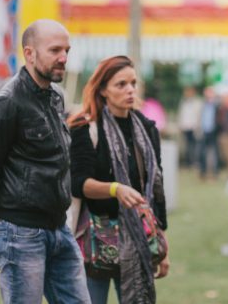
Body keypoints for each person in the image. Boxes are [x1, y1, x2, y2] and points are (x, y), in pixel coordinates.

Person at [0, 19, 90, 304]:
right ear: (29, 53)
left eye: (67, 50)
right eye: (55, 50)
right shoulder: (7, 102)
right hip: (21, 233)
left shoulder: (56, 97)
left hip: (60, 227)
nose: (63, 58)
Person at [68, 55, 169, 303]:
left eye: (133, 83)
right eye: (121, 84)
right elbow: (79, 184)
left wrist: (163, 245)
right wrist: (115, 189)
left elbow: (156, 190)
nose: (130, 90)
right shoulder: (85, 127)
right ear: (103, 90)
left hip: (139, 239)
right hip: (94, 241)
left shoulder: (146, 129)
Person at [177, 86, 201, 167]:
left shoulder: (198, 102)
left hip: (194, 128)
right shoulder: (183, 102)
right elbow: (181, 115)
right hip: (185, 127)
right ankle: (187, 162)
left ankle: (194, 162)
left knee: (194, 146)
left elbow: (199, 116)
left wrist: (198, 127)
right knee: (186, 146)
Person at [199, 86, 219, 179]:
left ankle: (215, 172)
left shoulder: (217, 105)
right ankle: (203, 171)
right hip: (205, 130)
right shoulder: (204, 104)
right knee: (203, 152)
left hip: (214, 131)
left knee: (214, 152)